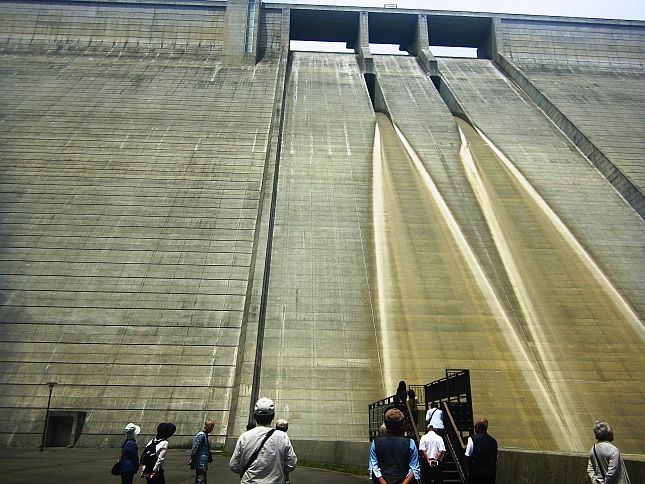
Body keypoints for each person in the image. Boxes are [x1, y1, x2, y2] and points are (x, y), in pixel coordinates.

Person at [229, 397, 297, 483]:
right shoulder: (282, 437)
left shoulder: (245, 436)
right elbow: (291, 464)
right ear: (273, 416)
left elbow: (234, 465)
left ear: (254, 416)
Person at [369, 407, 421, 484]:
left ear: (385, 423)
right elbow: (414, 469)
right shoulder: (410, 442)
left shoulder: (376, 442)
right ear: (402, 423)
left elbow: (374, 468)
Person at [464, 418, 497, 484]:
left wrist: (466, 471)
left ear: (477, 427)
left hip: (475, 474)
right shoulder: (493, 441)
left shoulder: (472, 439)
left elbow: (467, 456)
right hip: (489, 475)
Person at [191, 419, 214, 484]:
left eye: (213, 426)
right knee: (200, 480)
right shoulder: (201, 435)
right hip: (200, 463)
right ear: (206, 425)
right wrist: (193, 461)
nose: (212, 428)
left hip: (203, 463)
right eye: (211, 425)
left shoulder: (205, 435)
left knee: (202, 480)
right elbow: (195, 449)